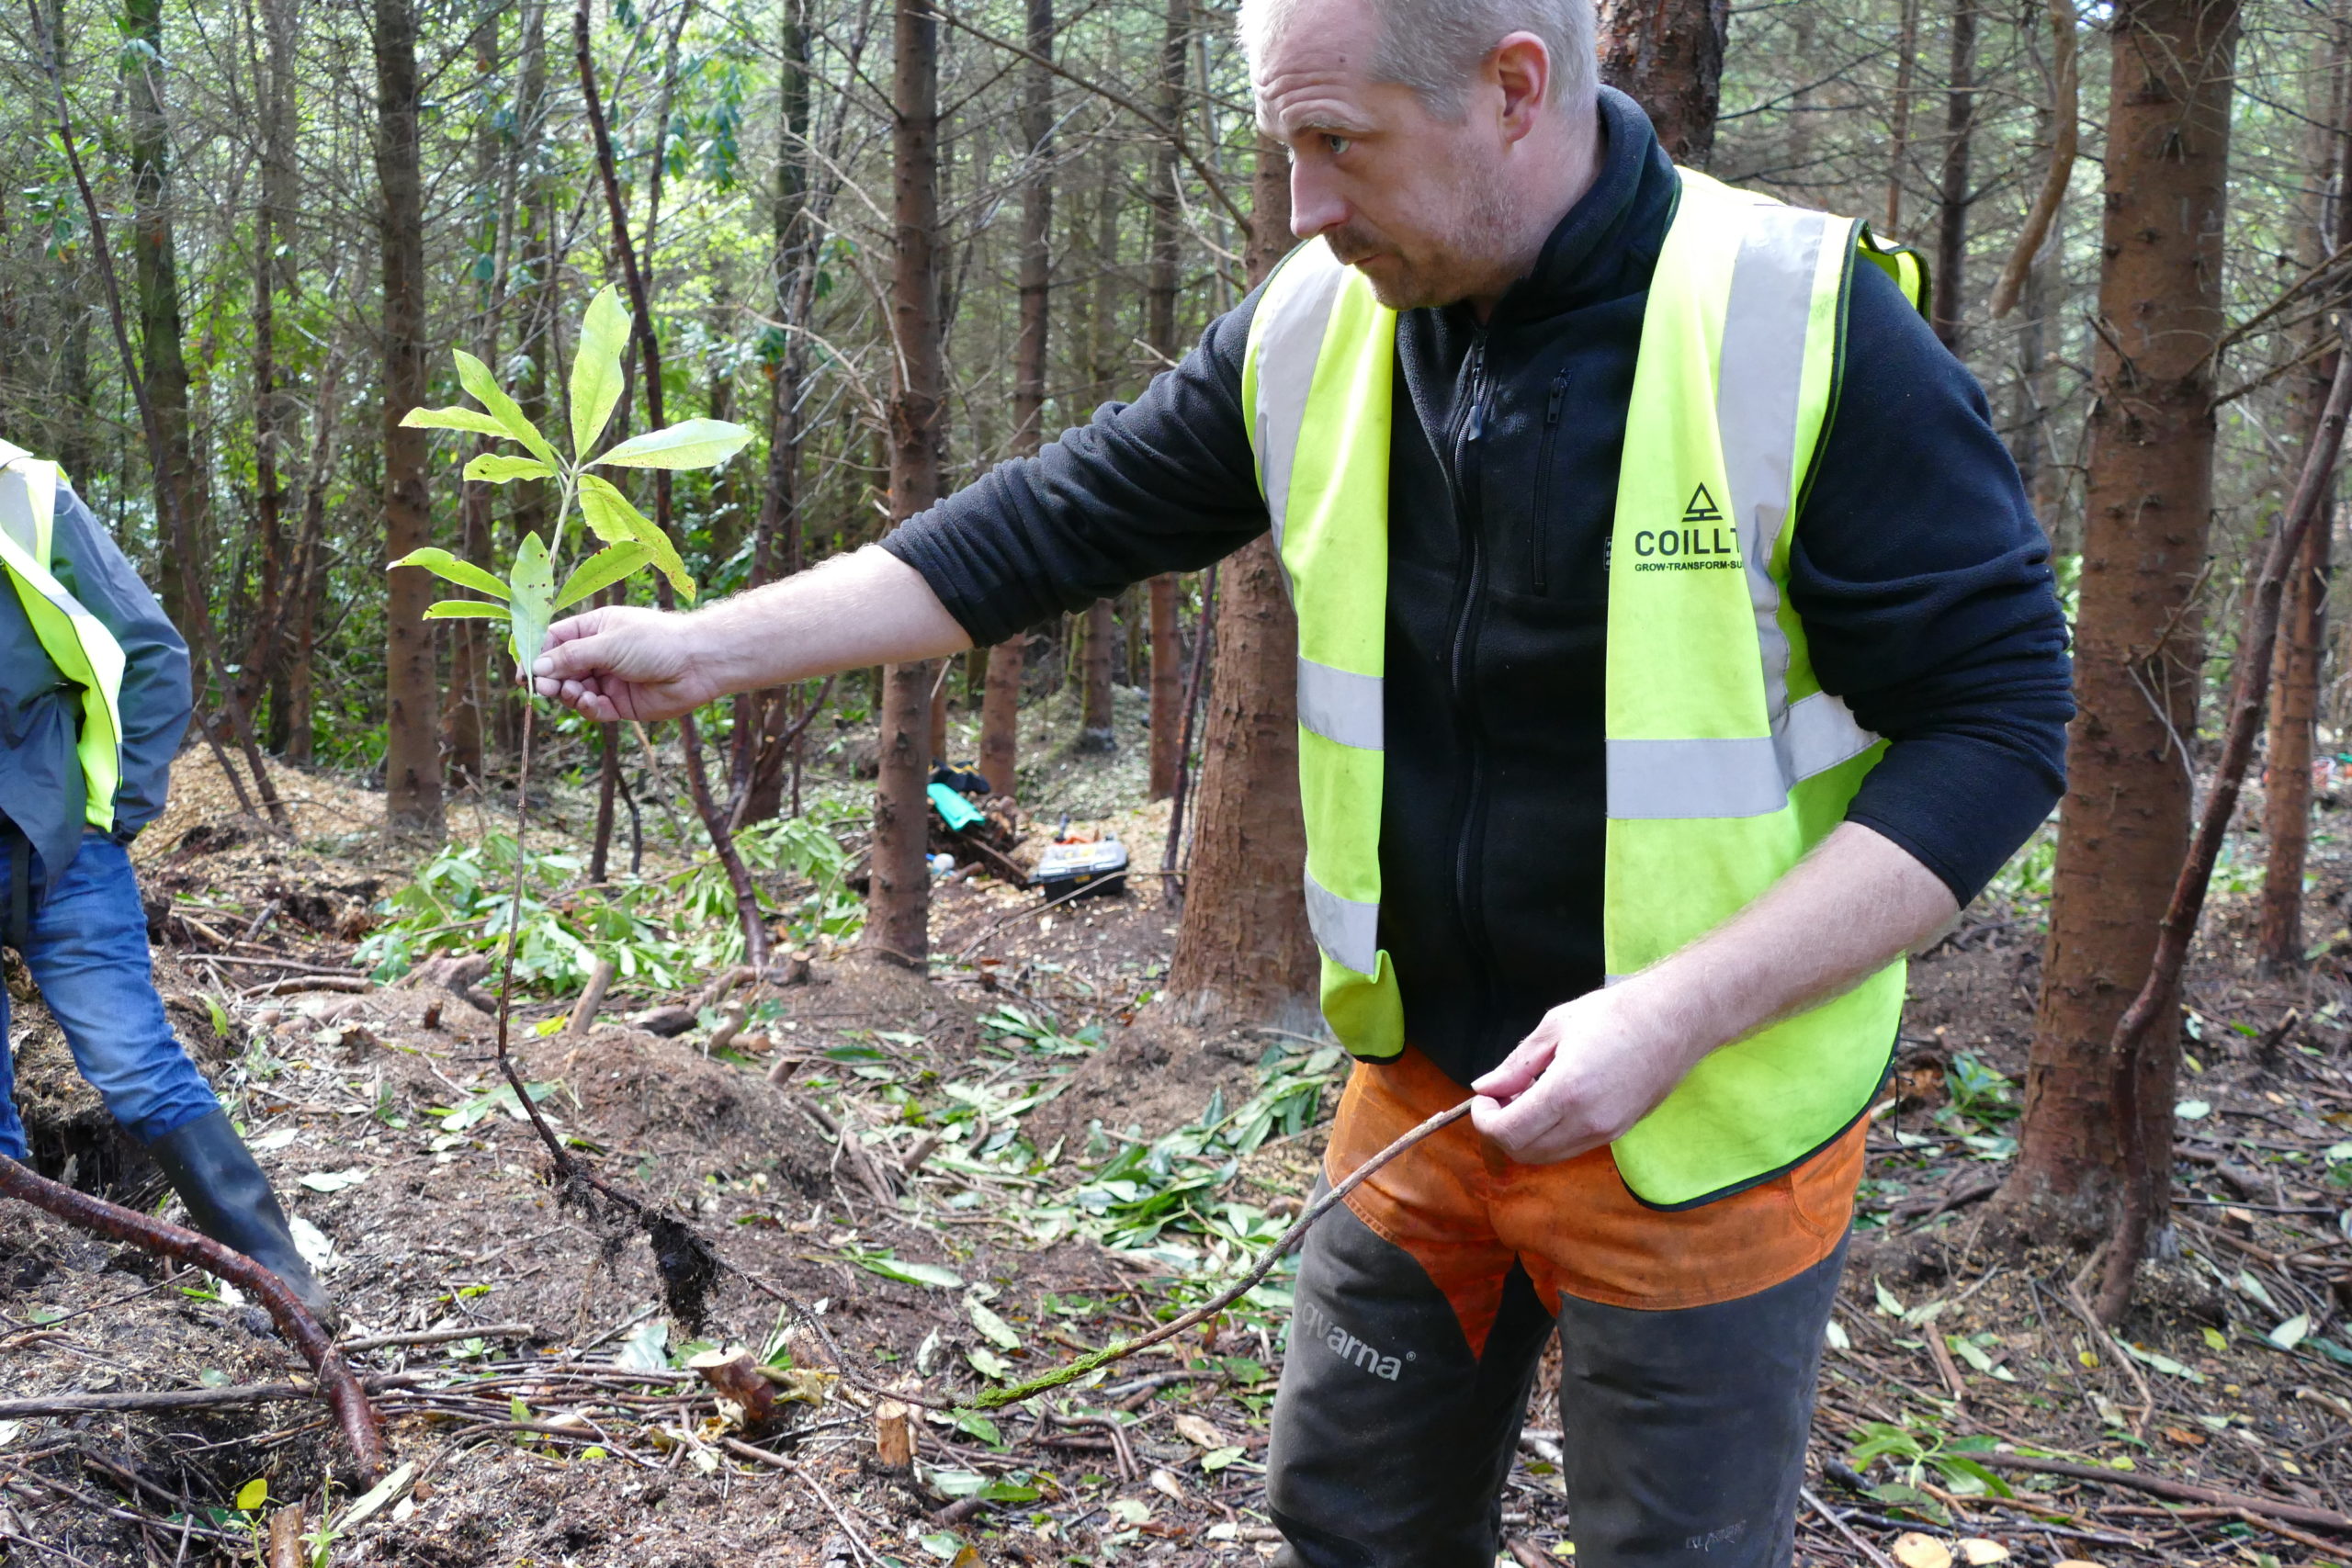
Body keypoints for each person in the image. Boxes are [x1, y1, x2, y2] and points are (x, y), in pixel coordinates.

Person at [529, 0, 2071, 1556]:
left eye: (1339, 144)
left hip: (1711, 1120)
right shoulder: (1319, 322)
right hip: (1422, 1098)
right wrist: (711, 649)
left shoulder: (1799, 325)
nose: (1304, 208)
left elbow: (2002, 729)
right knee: (1345, 1522)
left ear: (1513, 89)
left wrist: (1674, 1011)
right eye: (1286, 147)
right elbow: (1042, 526)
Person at [0, 440, 333, 1325]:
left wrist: (114, 818)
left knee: (135, 1064)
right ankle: (31, 1295)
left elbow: (151, 651)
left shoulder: (23, 494)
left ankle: (280, 1278)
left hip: (59, 849)